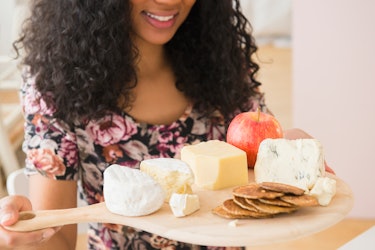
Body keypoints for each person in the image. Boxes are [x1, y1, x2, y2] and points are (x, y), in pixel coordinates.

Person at [0, 0, 334, 249]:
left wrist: (290, 148)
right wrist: (18, 236)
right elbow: (56, 239)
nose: (171, 1)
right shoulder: (55, 87)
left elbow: (257, 155)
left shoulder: (222, 64)